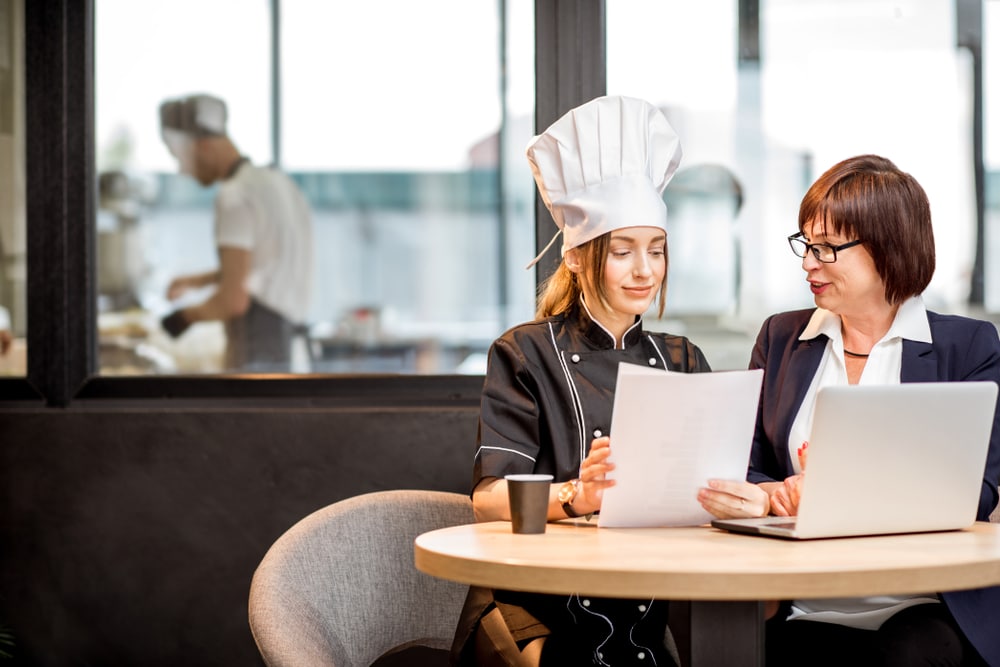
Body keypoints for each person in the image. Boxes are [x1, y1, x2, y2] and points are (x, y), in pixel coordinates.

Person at [697, 154, 1000, 666]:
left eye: (827, 248)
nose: (808, 262)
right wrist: (772, 494)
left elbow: (976, 492)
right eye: (806, 245)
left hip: (923, 603)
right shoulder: (782, 337)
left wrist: (837, 495)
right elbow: (744, 463)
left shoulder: (967, 347)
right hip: (799, 602)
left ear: (889, 247)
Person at [450, 95, 711, 667]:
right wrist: (577, 496)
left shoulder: (683, 360)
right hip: (533, 613)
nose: (645, 271)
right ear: (575, 257)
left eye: (657, 251)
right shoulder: (525, 352)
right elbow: (488, 499)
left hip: (639, 612)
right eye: (623, 252)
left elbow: (708, 487)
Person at [158, 93, 314, 372]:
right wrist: (196, 281)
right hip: (290, 346)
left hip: (258, 352)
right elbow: (264, 265)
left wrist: (178, 320)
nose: (182, 170)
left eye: (179, 157)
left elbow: (233, 300)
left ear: (203, 145)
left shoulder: (233, 195)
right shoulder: (277, 182)